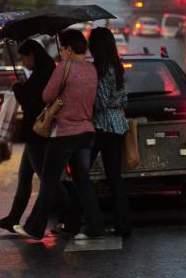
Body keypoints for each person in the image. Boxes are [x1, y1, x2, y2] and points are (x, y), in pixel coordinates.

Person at [13, 29, 104, 240]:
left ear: (70, 49)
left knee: (48, 180)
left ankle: (34, 227)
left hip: (65, 133)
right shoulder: (91, 69)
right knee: (82, 181)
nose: (61, 52)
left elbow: (46, 96)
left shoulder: (64, 67)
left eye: (62, 48)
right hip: (86, 132)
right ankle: (93, 226)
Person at [0, 39, 55, 232]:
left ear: (32, 55)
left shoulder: (44, 74)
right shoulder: (41, 73)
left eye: (24, 58)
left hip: (38, 133)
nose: (23, 63)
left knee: (47, 180)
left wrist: (18, 87)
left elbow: (31, 104)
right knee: (25, 176)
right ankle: (13, 218)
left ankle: (70, 212)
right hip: (33, 134)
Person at [88, 27, 132, 237]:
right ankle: (123, 225)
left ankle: (89, 222)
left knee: (81, 174)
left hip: (100, 126)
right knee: (115, 178)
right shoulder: (117, 67)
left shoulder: (99, 69)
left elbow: (100, 102)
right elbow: (123, 98)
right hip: (117, 125)